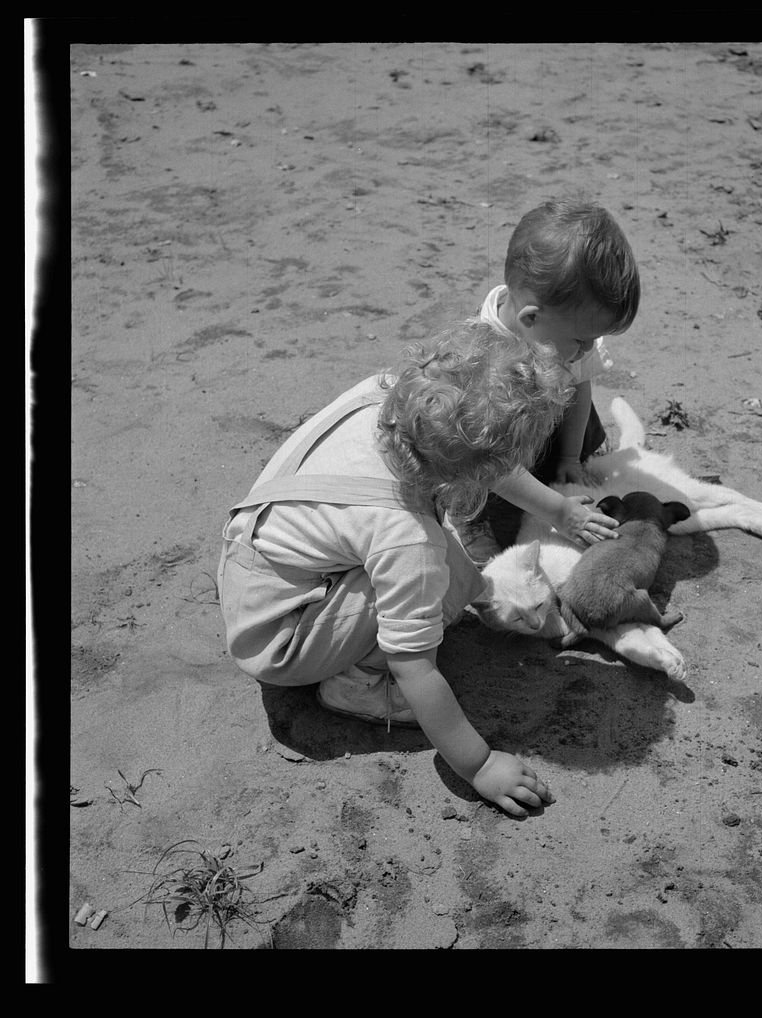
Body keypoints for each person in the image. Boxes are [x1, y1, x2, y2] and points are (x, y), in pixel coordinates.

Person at [217, 319, 594, 816]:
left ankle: (355, 631)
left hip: (253, 565)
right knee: (432, 580)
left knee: (450, 571)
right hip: (278, 637)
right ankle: (357, 688)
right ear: (479, 474)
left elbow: (479, 465)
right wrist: (478, 764)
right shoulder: (404, 536)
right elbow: (414, 666)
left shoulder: (384, 397)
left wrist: (556, 512)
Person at [456, 197, 642, 562]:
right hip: (490, 458)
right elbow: (492, 463)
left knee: (572, 386)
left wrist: (571, 456)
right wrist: (560, 512)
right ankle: (471, 519)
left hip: (542, 430)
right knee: (465, 455)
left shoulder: (560, 329)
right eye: (581, 339)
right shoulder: (481, 362)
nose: (588, 346)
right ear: (530, 319)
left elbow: (580, 380)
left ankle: (559, 466)